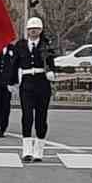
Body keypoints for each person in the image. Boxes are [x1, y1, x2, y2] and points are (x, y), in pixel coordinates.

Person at [10, 16, 57, 163]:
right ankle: (27, 150)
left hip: (42, 83)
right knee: (27, 116)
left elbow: (51, 63)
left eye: (36, 29)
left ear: (41, 30)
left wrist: (51, 71)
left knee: (41, 118)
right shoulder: (21, 45)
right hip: (27, 83)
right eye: (30, 29)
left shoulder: (46, 45)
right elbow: (14, 64)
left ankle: (39, 151)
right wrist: (11, 82)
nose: (33, 31)